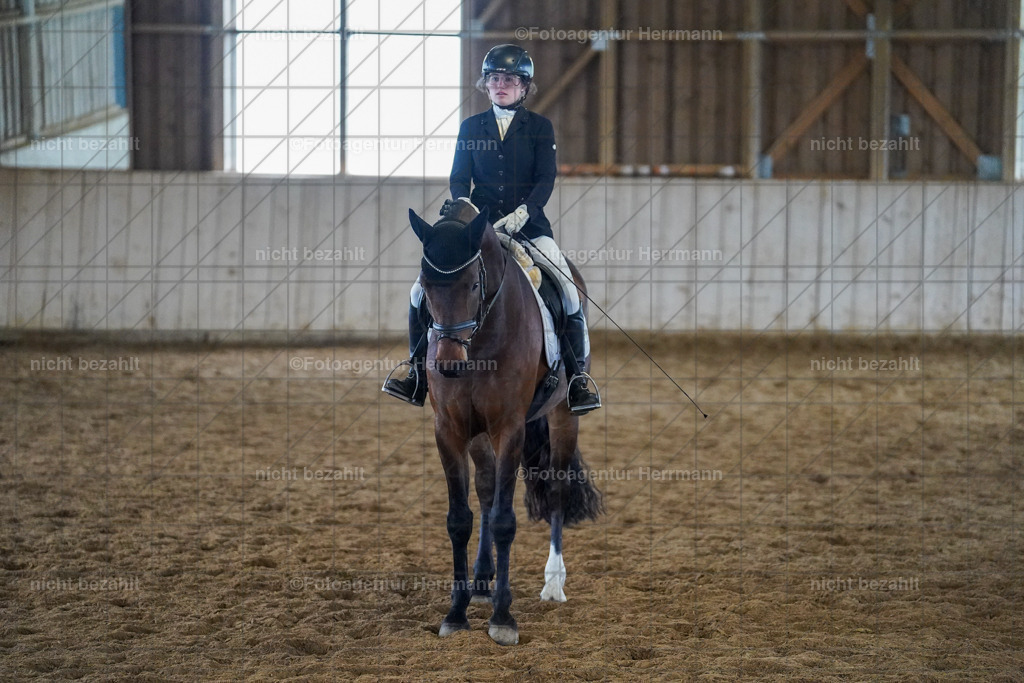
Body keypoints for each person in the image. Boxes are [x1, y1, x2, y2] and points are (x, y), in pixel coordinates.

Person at [384, 44, 601, 415]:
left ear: (524, 87)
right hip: (477, 229)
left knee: (566, 288)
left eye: (510, 80)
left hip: (529, 226)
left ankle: (578, 378)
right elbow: (458, 179)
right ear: (486, 84)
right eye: (495, 78)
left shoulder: (539, 128)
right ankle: (416, 371)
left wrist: (523, 212)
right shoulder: (471, 127)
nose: (502, 85)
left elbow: (545, 179)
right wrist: (463, 206)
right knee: (420, 290)